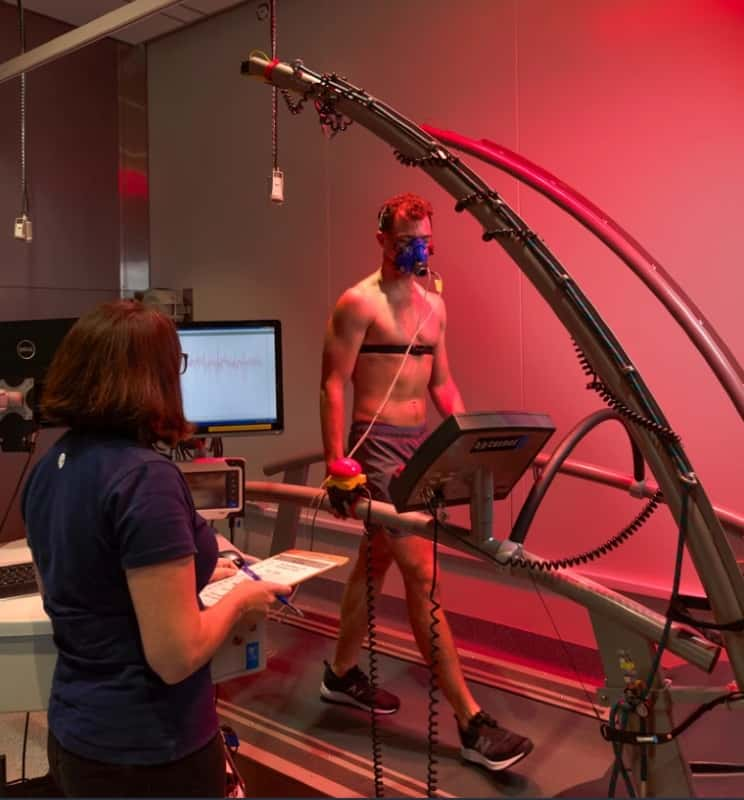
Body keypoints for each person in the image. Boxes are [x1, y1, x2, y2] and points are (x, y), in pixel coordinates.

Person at [21, 300, 291, 798]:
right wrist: (241, 601)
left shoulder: (51, 466)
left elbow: (80, 583)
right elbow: (175, 655)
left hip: (77, 736)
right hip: (149, 754)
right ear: (157, 377)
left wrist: (200, 573)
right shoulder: (146, 479)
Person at [319, 193, 533, 771]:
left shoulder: (434, 306)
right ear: (383, 238)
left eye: (425, 240)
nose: (417, 250)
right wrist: (338, 461)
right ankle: (469, 721)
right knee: (422, 572)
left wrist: (469, 437)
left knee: (376, 563)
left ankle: (338, 674)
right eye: (407, 240)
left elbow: (441, 381)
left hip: (419, 448)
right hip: (378, 446)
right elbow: (334, 383)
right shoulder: (358, 304)